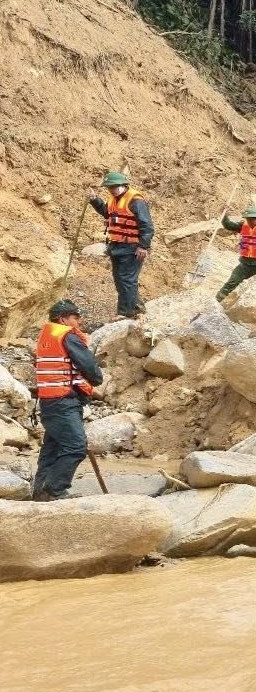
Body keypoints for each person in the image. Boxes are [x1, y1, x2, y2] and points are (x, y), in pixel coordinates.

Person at [31, 299, 103, 501]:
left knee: (53, 447)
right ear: (63, 319)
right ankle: (54, 489)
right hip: (64, 400)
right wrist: (96, 379)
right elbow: (88, 366)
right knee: (75, 446)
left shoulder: (47, 335)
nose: (78, 322)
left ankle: (40, 491)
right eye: (75, 317)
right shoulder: (67, 335)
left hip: (49, 401)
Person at [89, 172, 154, 319]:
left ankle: (126, 313)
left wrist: (143, 246)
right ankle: (136, 307)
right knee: (120, 279)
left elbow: (147, 226)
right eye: (109, 187)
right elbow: (107, 213)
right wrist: (95, 200)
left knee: (127, 279)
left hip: (132, 247)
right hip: (117, 246)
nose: (111, 190)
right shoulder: (114, 199)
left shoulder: (136, 201)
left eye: (114, 186)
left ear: (124, 185)